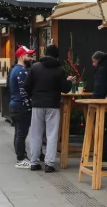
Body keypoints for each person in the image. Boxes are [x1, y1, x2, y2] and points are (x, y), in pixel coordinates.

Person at [25, 44, 73, 172]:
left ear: (45, 54)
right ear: (56, 56)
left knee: (35, 133)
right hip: (52, 105)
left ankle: (34, 162)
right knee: (52, 134)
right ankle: (49, 164)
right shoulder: (59, 69)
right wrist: (69, 81)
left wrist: (33, 96)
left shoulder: (35, 68)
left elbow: (26, 86)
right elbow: (66, 89)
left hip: (37, 104)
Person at [8, 45, 35, 168]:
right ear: (21, 56)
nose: (31, 58)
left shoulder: (14, 70)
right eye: (29, 56)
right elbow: (25, 91)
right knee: (21, 134)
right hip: (21, 106)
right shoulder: (22, 71)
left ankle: (21, 156)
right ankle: (21, 159)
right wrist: (29, 106)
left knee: (18, 132)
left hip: (15, 104)